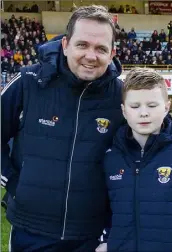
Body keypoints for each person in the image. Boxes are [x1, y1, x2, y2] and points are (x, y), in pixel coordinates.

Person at [1, 5, 124, 252]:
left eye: (101, 49)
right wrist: (15, 182)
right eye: (82, 45)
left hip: (92, 235)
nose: (91, 55)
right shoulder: (29, 81)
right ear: (65, 44)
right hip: (31, 230)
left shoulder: (121, 96)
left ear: (112, 54)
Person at [97, 68, 172, 252]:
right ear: (124, 110)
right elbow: (102, 206)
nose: (144, 113)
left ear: (167, 107)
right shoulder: (111, 155)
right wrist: (105, 238)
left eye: (152, 105)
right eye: (135, 106)